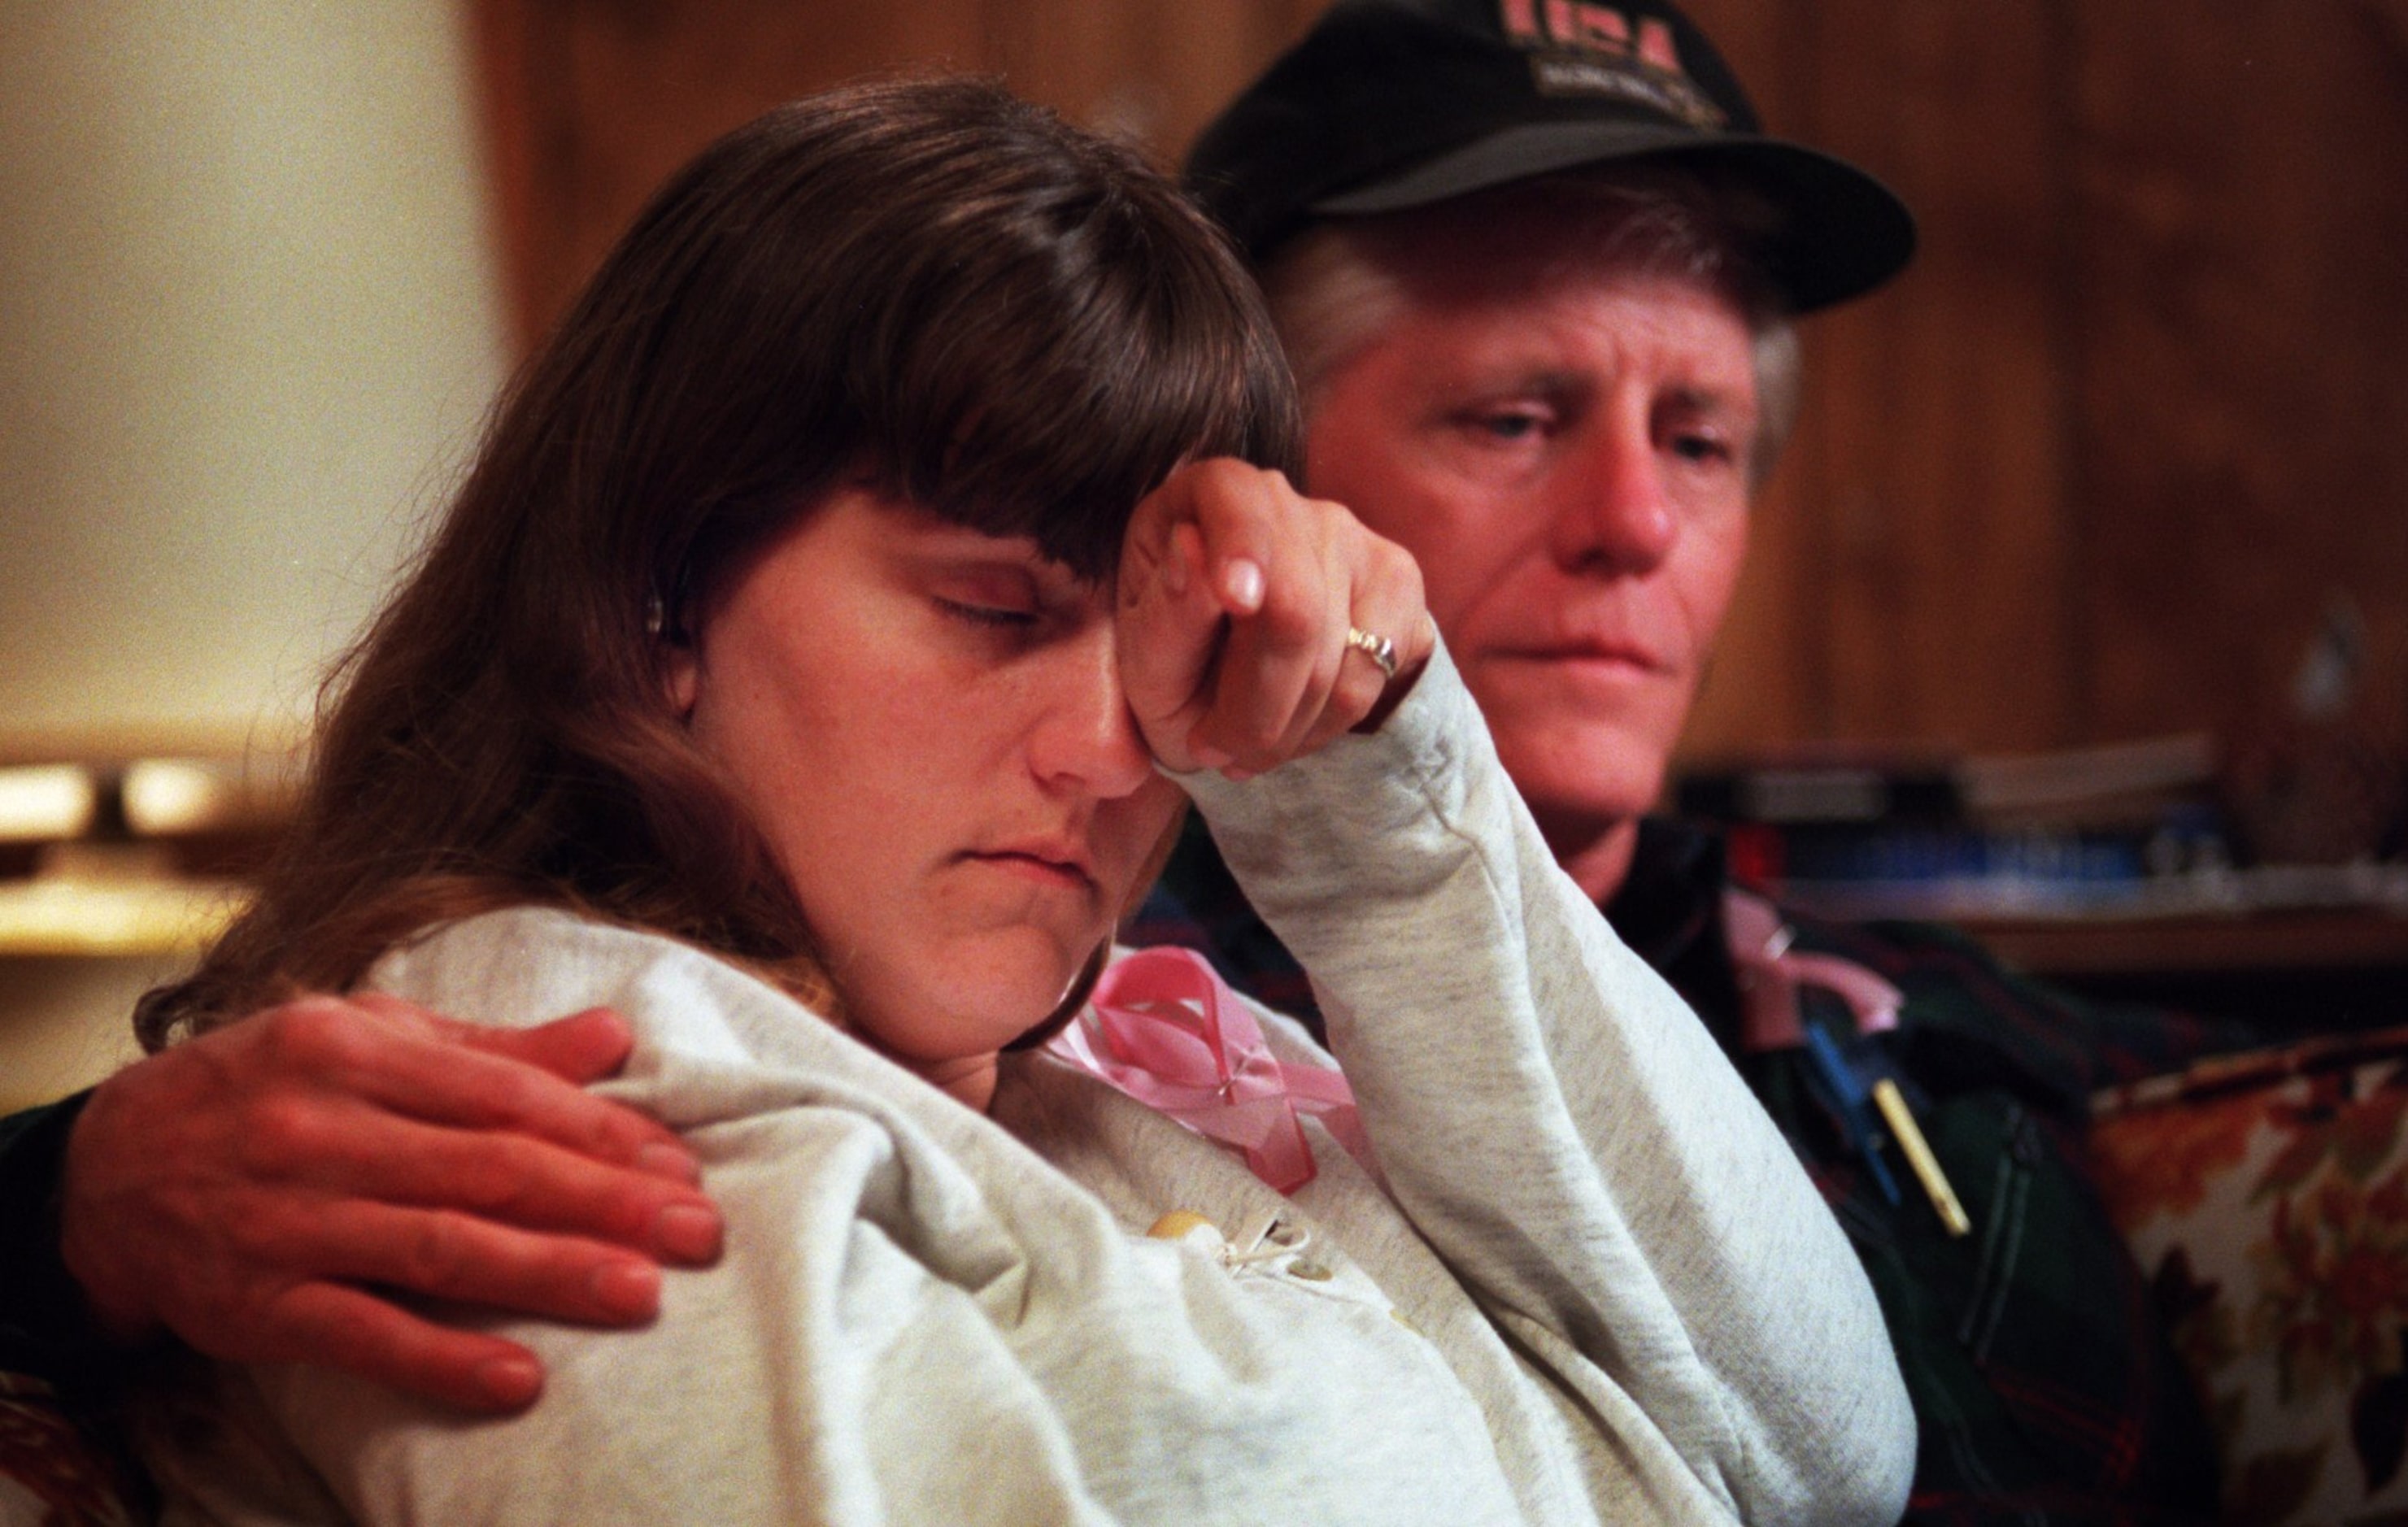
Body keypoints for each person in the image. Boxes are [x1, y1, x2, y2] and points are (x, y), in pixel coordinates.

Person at [0, 0, 2220, 1515]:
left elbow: (1831, 1454)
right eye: (1508, 418)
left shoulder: (1160, 1029)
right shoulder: (557, 1030)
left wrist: (1385, 800)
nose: (1100, 746)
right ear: (654, 599)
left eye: (1703, 437)